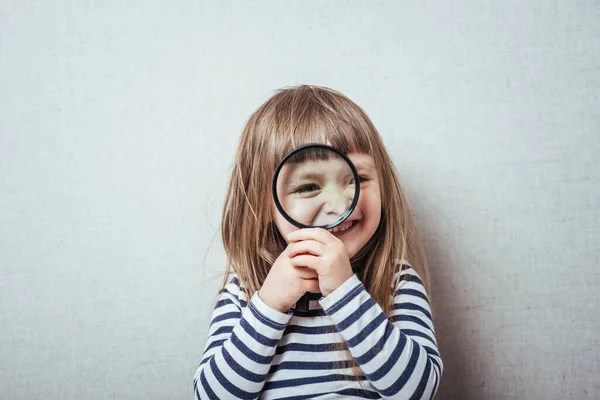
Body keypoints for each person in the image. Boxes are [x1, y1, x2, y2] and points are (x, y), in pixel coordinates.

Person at [194, 85, 443, 399]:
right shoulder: (244, 290)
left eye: (358, 179)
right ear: (264, 206)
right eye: (309, 186)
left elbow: (417, 391)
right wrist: (270, 304)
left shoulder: (396, 281)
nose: (339, 205)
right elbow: (212, 396)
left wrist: (344, 292)